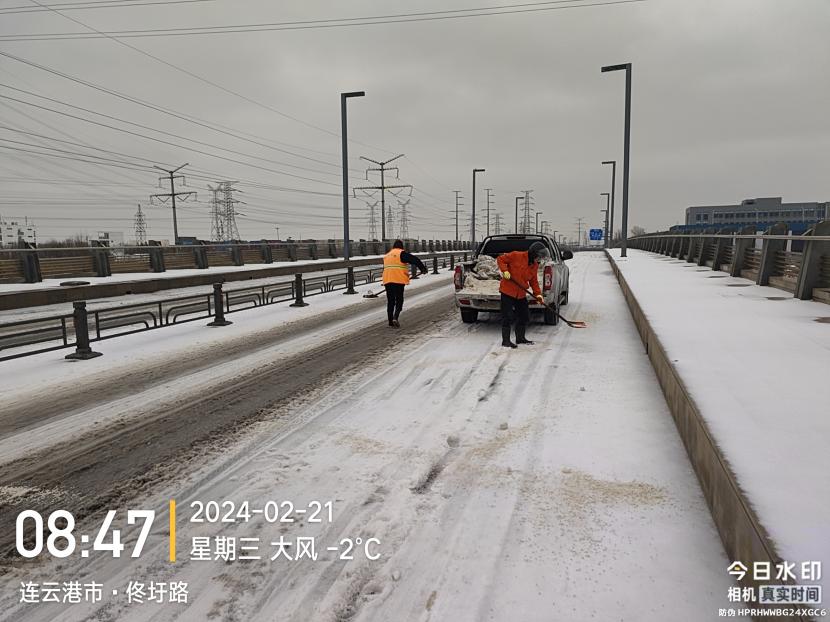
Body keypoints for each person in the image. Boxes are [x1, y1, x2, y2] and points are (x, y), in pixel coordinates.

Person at [496, 241, 550, 348]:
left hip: (520, 293)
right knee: (507, 316)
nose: (539, 260)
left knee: (524, 316)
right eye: (539, 257)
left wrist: (538, 294)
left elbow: (533, 281)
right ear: (533, 254)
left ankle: (520, 338)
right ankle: (505, 341)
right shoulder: (516, 255)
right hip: (507, 291)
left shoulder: (534, 265)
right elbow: (500, 259)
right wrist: (505, 271)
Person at [382, 239, 427, 327]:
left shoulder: (387, 255)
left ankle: (390, 321)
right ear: (401, 247)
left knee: (390, 301)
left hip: (387, 280)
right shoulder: (401, 254)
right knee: (399, 299)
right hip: (398, 280)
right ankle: (395, 317)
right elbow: (415, 260)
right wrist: (423, 269)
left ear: (393, 247)